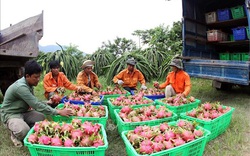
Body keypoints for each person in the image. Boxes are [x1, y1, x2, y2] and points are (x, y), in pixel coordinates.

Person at [0, 60, 73, 147]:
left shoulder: (29, 84)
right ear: (27, 76)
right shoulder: (21, 87)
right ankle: (14, 133)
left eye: (39, 77)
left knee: (41, 117)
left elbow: (34, 101)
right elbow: (36, 105)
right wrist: (58, 112)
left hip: (24, 111)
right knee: (23, 131)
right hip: (11, 114)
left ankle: (23, 123)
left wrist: (47, 102)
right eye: (36, 77)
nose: (38, 80)